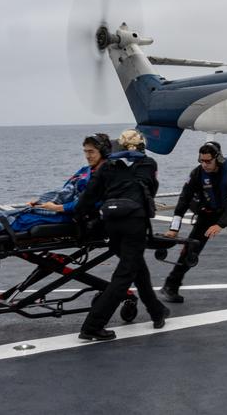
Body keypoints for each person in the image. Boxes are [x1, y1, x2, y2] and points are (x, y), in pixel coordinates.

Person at [72, 133, 169, 341]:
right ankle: (92, 326)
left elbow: (88, 198)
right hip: (134, 223)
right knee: (123, 276)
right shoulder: (148, 163)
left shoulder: (107, 166)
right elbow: (151, 189)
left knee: (137, 268)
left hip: (111, 225)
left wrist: (80, 224)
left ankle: (156, 311)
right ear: (141, 146)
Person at [161, 141, 227, 304]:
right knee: (190, 249)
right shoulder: (197, 174)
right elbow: (183, 200)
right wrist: (174, 228)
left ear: (218, 159)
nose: (204, 165)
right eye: (201, 161)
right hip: (207, 214)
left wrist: (220, 224)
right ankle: (171, 285)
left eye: (208, 161)